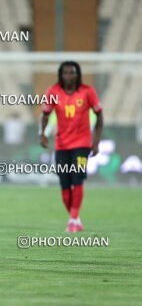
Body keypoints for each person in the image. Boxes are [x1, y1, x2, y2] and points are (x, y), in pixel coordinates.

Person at [40, 61, 103, 232]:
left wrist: (95, 141)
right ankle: (75, 219)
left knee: (78, 178)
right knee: (65, 184)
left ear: (78, 75)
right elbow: (45, 115)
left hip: (82, 144)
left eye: (72, 73)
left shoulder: (87, 92)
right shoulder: (53, 92)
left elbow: (99, 116)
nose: (69, 76)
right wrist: (43, 133)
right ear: (61, 75)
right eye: (66, 73)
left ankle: (73, 219)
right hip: (61, 145)